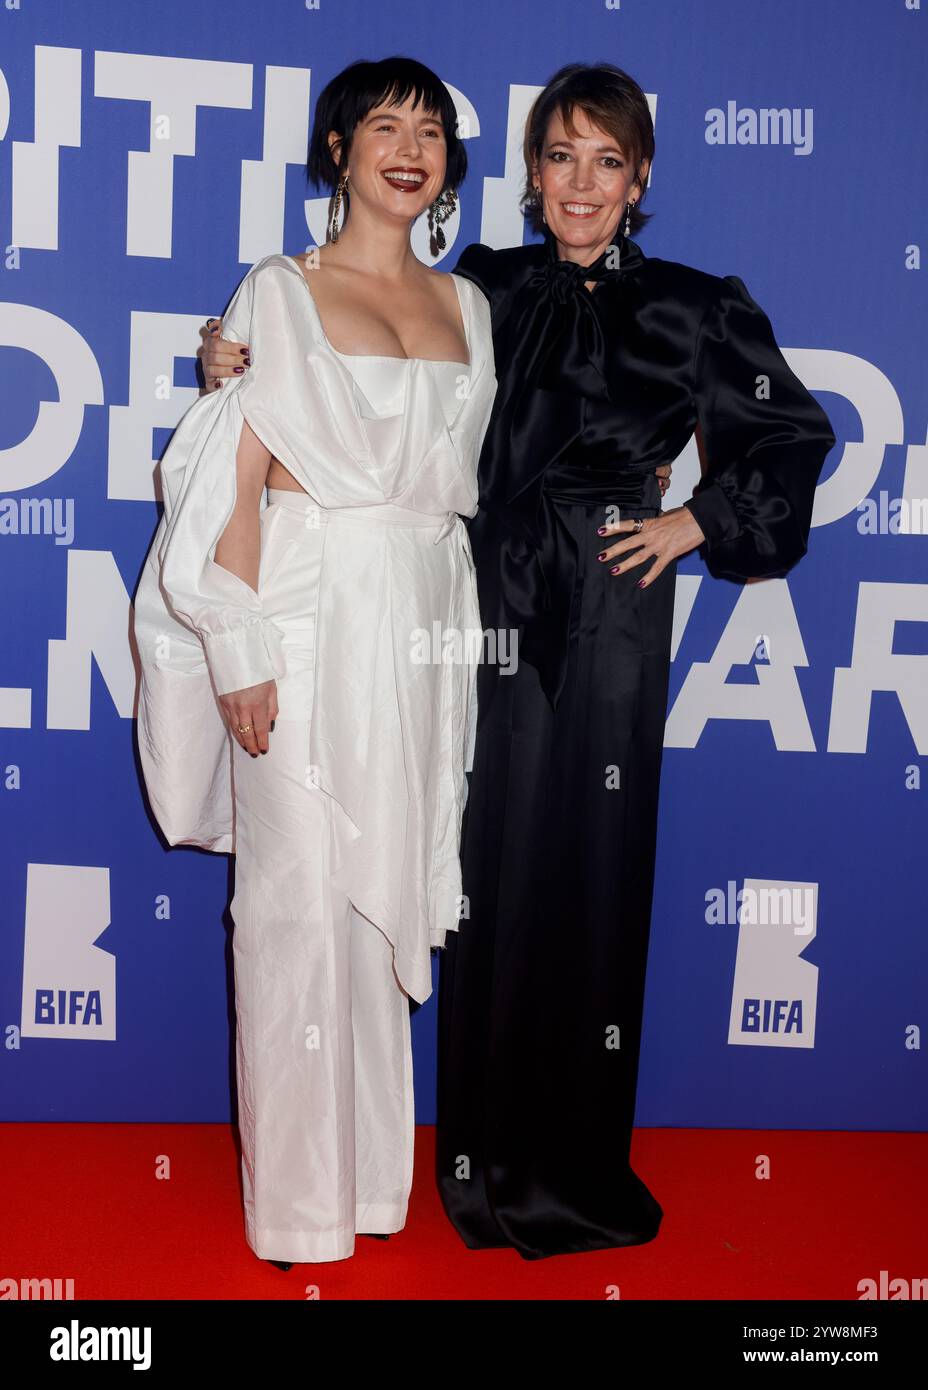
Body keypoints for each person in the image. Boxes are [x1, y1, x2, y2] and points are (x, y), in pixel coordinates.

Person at [200, 61, 836, 1261]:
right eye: (560, 156)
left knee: (585, 873)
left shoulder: (700, 305)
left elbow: (792, 436)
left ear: (639, 177)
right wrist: (227, 350)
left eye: (607, 161)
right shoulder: (478, 285)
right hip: (468, 605)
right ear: (532, 173)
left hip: (606, 611)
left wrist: (693, 520)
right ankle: (473, 1164)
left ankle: (569, 1170)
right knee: (475, 866)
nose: (581, 183)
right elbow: (350, 355)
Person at [133, 56, 497, 1266]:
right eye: (384, 124)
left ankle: (370, 1186)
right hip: (293, 611)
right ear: (336, 149)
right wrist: (233, 642)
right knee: (292, 904)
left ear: (448, 163)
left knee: (373, 893)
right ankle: (296, 1206)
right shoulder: (274, 293)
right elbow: (231, 472)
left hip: (420, 622)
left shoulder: (471, 306)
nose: (410, 145)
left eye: (430, 129)